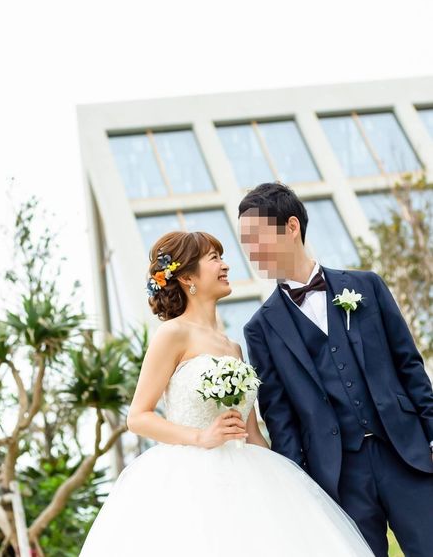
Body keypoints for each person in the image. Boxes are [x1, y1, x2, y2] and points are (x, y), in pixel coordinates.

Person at [80, 230, 374, 557]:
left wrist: (282, 484)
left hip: (247, 470)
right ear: (187, 277)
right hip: (190, 479)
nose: (225, 265)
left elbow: (251, 432)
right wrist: (200, 437)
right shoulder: (172, 334)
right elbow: (138, 417)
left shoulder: (233, 347)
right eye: (214, 258)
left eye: (221, 257)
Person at [239, 182, 433, 557]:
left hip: (406, 453)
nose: (251, 251)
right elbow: (280, 418)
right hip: (338, 478)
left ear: (291, 227)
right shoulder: (259, 329)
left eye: (256, 237)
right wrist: (301, 488)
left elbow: (409, 365)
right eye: (245, 243)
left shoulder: (367, 286)